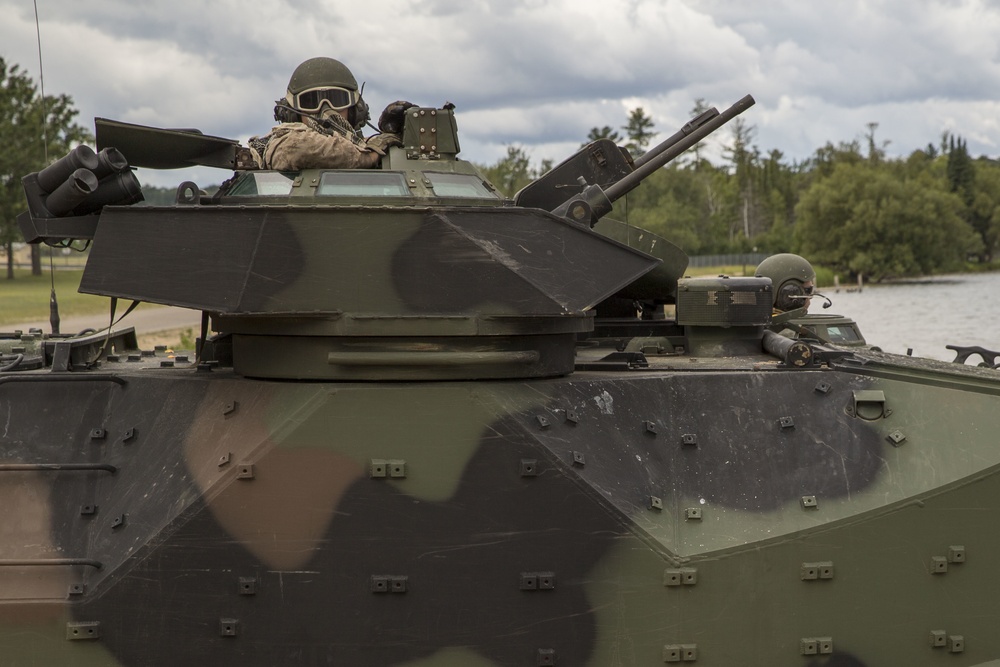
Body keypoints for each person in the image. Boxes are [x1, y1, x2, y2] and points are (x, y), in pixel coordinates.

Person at [248, 57, 415, 170]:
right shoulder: (280, 142)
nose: (325, 110)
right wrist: (369, 156)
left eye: (337, 99)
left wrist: (405, 132)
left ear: (356, 110)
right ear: (291, 113)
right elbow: (297, 148)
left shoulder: (369, 145)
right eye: (310, 102)